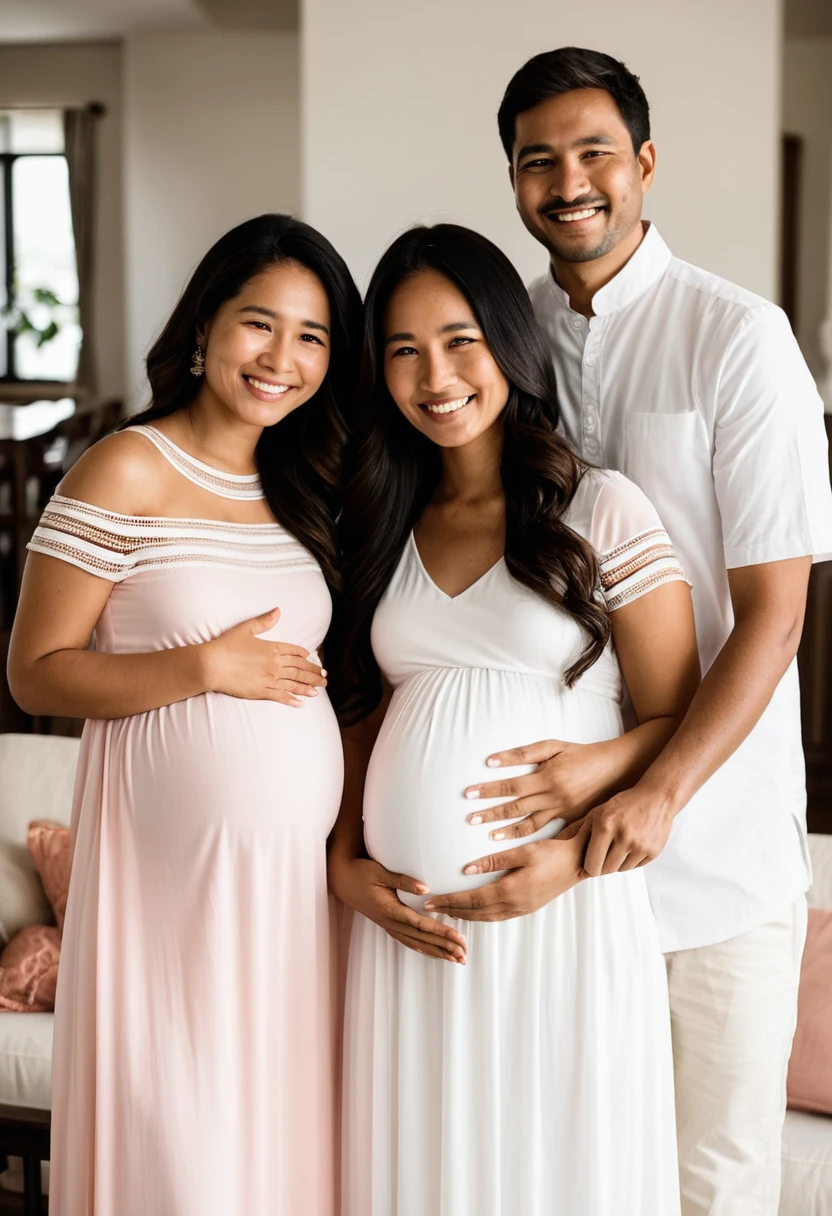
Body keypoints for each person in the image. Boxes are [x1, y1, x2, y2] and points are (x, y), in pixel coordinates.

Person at [434, 46, 832, 1214]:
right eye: (536, 161)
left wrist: (654, 789)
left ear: (645, 163)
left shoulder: (738, 338)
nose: (569, 182)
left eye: (595, 151)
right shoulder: (509, 350)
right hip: (568, 863)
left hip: (715, 845)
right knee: (582, 1174)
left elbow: (773, 618)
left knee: (713, 1181)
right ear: (511, 180)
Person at [329, 222, 701, 1216]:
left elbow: (682, 715)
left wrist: (579, 834)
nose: (433, 374)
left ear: (509, 342)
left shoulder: (603, 507)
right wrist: (341, 860)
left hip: (561, 906)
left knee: (556, 1170)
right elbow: (360, 707)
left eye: (459, 340)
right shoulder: (379, 519)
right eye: (401, 350)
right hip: (405, 929)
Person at [7, 214, 363, 1216]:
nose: (281, 358)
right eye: (260, 323)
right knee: (183, 1150)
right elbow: (35, 673)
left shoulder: (305, 483)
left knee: (274, 1150)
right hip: (168, 891)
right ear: (206, 322)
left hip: (293, 890)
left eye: (312, 336)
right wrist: (202, 665)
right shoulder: (124, 467)